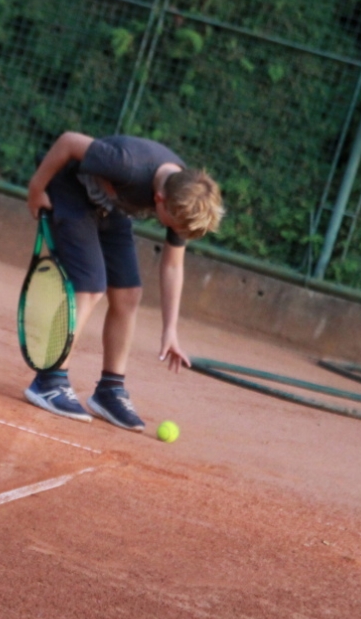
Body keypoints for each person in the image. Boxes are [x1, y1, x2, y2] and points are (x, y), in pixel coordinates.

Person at [22, 133, 224, 431]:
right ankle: (49, 380)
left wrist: (170, 330)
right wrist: (36, 189)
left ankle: (109, 390)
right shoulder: (126, 165)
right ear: (159, 200)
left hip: (109, 205)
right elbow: (67, 142)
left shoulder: (184, 195)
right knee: (90, 287)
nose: (174, 232)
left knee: (129, 294)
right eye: (172, 225)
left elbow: (172, 265)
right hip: (71, 192)